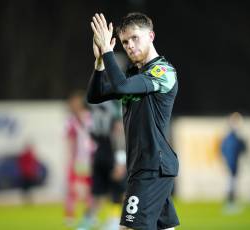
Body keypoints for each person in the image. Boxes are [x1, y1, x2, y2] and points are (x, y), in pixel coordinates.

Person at [88, 12, 179, 230]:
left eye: (135, 38)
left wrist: (109, 51)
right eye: (125, 42)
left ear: (151, 36)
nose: (130, 46)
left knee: (129, 228)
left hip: (152, 167)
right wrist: (100, 61)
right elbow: (95, 95)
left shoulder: (163, 71)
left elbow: (121, 87)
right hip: (142, 166)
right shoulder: (133, 74)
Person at [77, 101, 128, 230]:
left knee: (97, 194)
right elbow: (118, 131)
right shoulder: (114, 103)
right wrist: (121, 161)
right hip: (111, 152)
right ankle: (113, 223)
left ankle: (85, 225)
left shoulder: (93, 101)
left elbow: (88, 129)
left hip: (99, 152)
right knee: (119, 193)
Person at [64, 90, 97, 226]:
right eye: (73, 103)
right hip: (78, 159)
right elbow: (70, 140)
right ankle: (70, 215)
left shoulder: (90, 117)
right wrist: (71, 159)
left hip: (90, 159)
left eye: (76, 102)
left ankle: (89, 215)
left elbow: (95, 137)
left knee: (91, 190)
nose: (75, 105)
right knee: (73, 189)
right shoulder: (70, 121)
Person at [221, 112, 246, 212]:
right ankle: (229, 205)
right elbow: (228, 151)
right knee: (231, 184)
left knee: (232, 184)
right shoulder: (231, 138)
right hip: (232, 164)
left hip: (232, 164)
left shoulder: (233, 137)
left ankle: (231, 204)